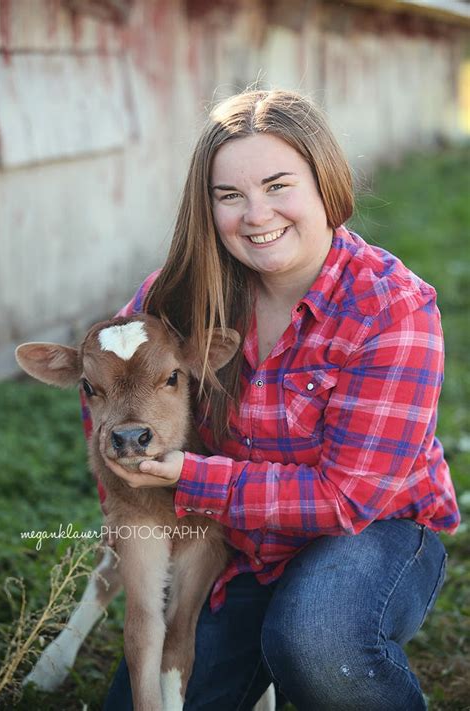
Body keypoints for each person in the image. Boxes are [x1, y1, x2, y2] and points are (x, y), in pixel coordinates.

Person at [96, 89, 459, 711]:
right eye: (229, 196)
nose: (255, 215)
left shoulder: (390, 310)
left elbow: (347, 498)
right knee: (146, 697)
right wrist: (135, 479)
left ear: (325, 182)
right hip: (234, 545)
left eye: (277, 185)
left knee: (317, 640)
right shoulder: (179, 297)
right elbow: (103, 378)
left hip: (371, 535)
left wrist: (188, 475)